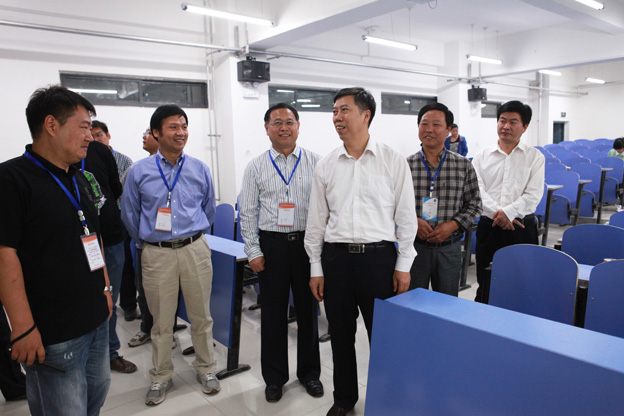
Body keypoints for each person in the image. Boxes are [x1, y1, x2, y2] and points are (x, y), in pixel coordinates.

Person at [304, 87, 417, 416]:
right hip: (336, 260)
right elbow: (317, 221)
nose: (337, 117)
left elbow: (405, 217)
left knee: (384, 336)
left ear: (366, 115)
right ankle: (344, 399)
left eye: (344, 110)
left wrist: (404, 263)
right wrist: (316, 267)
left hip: (379, 260)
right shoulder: (327, 165)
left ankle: (389, 398)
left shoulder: (392, 160)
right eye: (334, 111)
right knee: (340, 335)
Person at [0, 85, 112, 415]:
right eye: (83, 127)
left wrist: (106, 289)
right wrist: (22, 328)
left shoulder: (80, 178)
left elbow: (95, 236)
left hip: (96, 318)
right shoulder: (12, 179)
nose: (90, 136)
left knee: (94, 398)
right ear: (51, 125)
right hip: (53, 330)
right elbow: (5, 254)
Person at [121, 104, 220, 406]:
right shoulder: (138, 171)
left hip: (194, 249)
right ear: (156, 132)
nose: (181, 132)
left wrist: (192, 235)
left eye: (184, 126)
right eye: (173, 127)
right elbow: (130, 214)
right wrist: (150, 242)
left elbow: (209, 210)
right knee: (161, 322)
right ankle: (161, 375)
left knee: (201, 316)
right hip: (157, 253)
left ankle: (206, 368)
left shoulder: (199, 168)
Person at [239, 103, 323, 404]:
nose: (283, 127)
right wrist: (253, 250)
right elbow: (247, 212)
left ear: (298, 126)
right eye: (277, 122)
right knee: (273, 315)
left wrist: (319, 253)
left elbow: (325, 209)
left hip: (306, 245)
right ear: (267, 128)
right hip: (271, 247)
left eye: (289, 122)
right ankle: (274, 379)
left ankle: (310, 373)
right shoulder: (256, 166)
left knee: (308, 313)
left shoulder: (316, 162)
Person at [472, 100, 545, 303]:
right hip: (489, 226)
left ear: (525, 127)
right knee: (485, 282)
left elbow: (533, 194)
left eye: (513, 122)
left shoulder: (535, 157)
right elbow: (477, 191)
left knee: (521, 283)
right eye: (502, 120)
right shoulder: (481, 156)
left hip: (521, 227)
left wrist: (509, 213)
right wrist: (501, 214)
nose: (506, 126)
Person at [407, 103, 481, 296]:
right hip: (414, 247)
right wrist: (413, 221)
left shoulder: (463, 165)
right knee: (413, 301)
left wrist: (453, 225)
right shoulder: (405, 165)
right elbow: (392, 205)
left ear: (449, 129)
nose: (429, 129)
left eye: (436, 124)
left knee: (447, 302)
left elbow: (475, 204)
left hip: (449, 247)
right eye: (424, 124)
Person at [77, 139, 137, 374]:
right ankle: (85, 354)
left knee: (109, 297)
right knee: (83, 300)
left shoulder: (99, 151)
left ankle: (110, 352)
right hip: (77, 241)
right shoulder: (53, 159)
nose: (86, 134)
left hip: (109, 237)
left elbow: (115, 187)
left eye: (87, 126)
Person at [91, 120, 139, 322]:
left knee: (125, 264)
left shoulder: (123, 160)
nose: (95, 139)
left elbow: (124, 190)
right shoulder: (83, 158)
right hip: (98, 222)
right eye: (92, 135)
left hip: (121, 217)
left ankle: (128, 305)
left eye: (99, 135)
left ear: (108, 136)